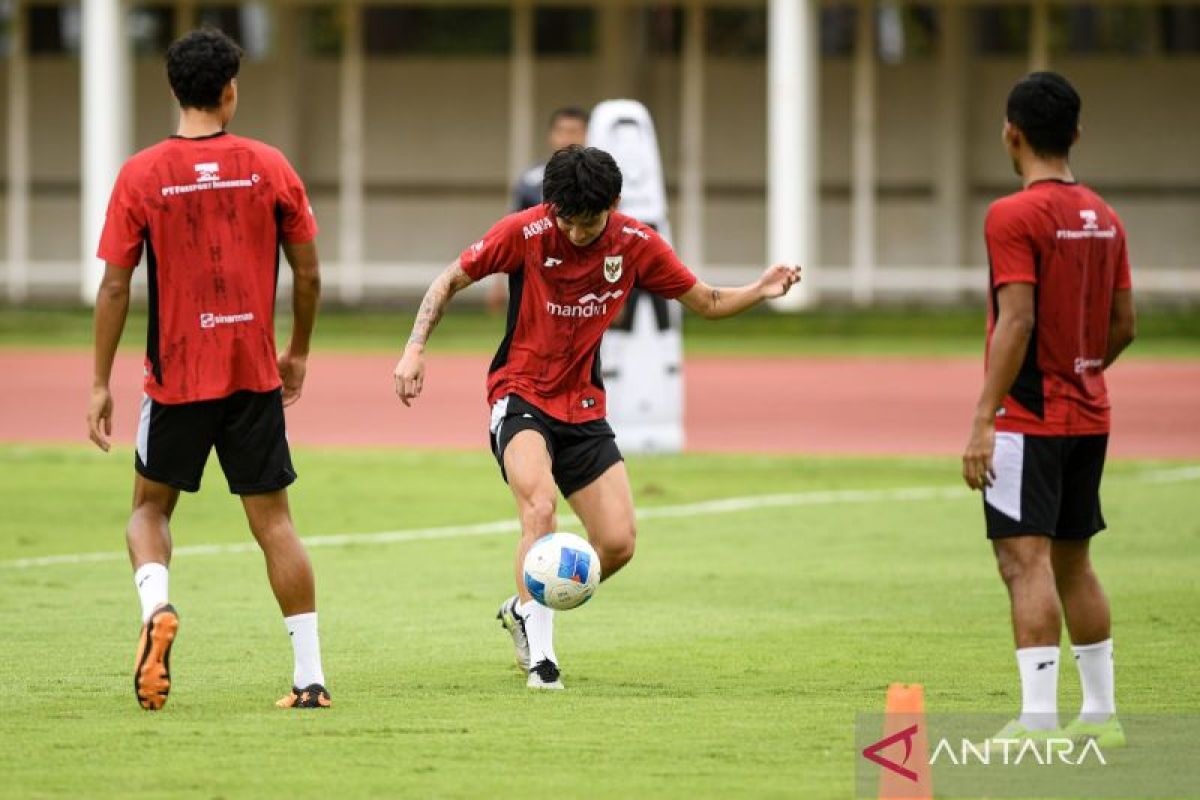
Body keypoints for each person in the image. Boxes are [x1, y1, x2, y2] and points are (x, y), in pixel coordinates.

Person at [393, 145, 801, 689]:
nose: (578, 233)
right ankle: (542, 659)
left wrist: (760, 290)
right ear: (550, 207)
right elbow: (448, 278)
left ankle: (523, 608)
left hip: (583, 406)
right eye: (567, 220)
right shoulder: (526, 232)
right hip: (521, 395)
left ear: (613, 203)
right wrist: (414, 348)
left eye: (589, 221)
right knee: (539, 508)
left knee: (617, 544)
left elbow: (705, 301)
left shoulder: (635, 244)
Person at [87, 27, 331, 711]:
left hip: (177, 377)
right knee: (275, 523)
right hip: (251, 372)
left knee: (148, 510)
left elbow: (114, 287)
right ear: (230, 91)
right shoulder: (267, 165)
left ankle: (157, 607)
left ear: (174, 89)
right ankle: (309, 680)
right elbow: (308, 273)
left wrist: (100, 383)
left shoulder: (141, 174)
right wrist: (298, 351)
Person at [961, 72, 1135, 746]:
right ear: (1077, 135)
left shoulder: (1013, 214)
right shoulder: (1105, 215)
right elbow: (1124, 324)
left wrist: (983, 418)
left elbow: (1017, 320)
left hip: (1027, 421)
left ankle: (1037, 721)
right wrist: (1081, 373)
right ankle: (1101, 717)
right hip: (1091, 413)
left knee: (1022, 562)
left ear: (1012, 132)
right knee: (1074, 561)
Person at [486, 107, 590, 312]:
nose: (567, 138)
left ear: (588, 134)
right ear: (552, 135)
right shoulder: (530, 181)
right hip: (538, 278)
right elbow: (510, 232)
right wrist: (498, 283)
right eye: (562, 131)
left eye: (574, 131)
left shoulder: (600, 180)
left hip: (586, 276)